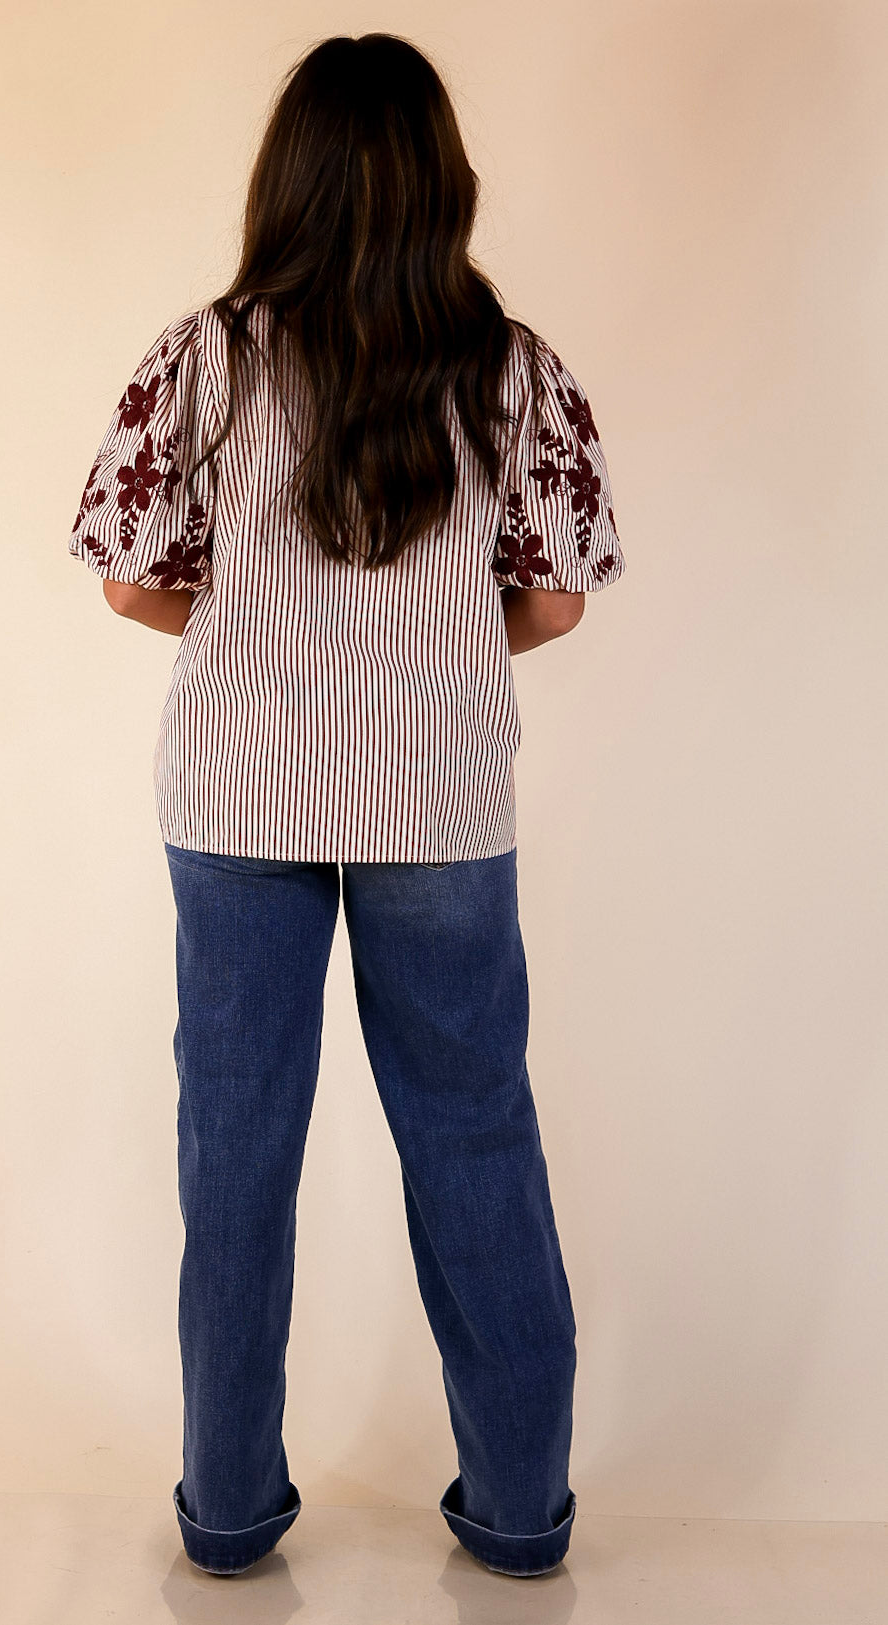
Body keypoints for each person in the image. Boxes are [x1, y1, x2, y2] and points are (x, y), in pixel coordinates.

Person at [67, 31, 626, 1580]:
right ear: (445, 181)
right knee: (477, 1134)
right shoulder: (515, 368)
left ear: (288, 180)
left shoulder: (203, 358)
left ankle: (228, 1513)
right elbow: (557, 602)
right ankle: (519, 1514)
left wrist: (265, 637)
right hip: (440, 799)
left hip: (238, 793)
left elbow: (127, 577)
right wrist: (428, 653)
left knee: (235, 1149)